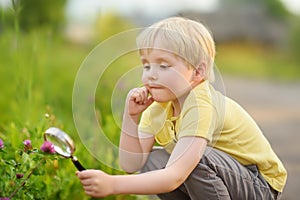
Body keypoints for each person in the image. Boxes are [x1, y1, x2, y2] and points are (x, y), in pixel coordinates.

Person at [76, 17, 287, 199]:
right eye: (146, 65)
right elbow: (132, 164)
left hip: (259, 185)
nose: (151, 74)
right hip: (227, 179)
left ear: (197, 72)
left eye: (164, 66)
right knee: (152, 160)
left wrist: (113, 185)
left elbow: (175, 176)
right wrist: (131, 118)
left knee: (192, 159)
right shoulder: (159, 107)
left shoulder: (201, 104)